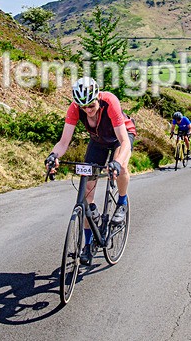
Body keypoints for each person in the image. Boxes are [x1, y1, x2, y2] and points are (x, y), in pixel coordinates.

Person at [45, 77, 136, 266]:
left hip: (122, 137)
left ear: (97, 97)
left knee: (121, 167)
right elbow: (63, 142)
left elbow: (124, 141)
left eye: (91, 105)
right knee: (87, 191)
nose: (88, 110)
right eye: (83, 107)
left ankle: (121, 202)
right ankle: (88, 244)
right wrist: (53, 156)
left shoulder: (109, 101)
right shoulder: (74, 108)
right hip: (99, 141)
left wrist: (116, 162)